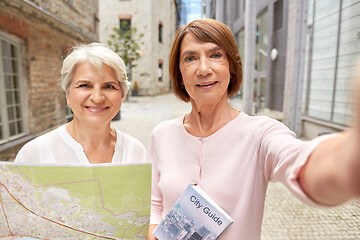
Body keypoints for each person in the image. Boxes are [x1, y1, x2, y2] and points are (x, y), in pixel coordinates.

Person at [147, 18, 360, 239]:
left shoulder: (260, 133)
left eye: (216, 55)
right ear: (179, 72)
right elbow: (155, 205)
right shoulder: (162, 134)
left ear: (231, 66)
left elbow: (300, 162)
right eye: (190, 58)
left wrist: (347, 162)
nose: (203, 69)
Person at [15, 43, 146, 164]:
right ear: (68, 94)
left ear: (122, 94)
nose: (97, 98)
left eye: (109, 86)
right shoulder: (34, 155)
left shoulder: (135, 152)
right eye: (85, 85)